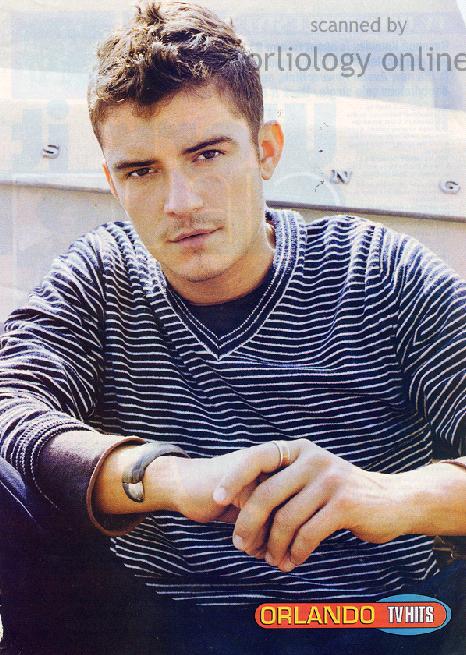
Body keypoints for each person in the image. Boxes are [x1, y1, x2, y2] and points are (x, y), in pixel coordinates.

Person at [0, 2, 465, 654]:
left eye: (207, 154)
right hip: (154, 625)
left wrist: (388, 497)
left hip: (371, 622)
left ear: (265, 150)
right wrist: (168, 478)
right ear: (112, 181)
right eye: (141, 171)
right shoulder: (101, 276)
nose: (181, 202)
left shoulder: (378, 272)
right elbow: (10, 404)